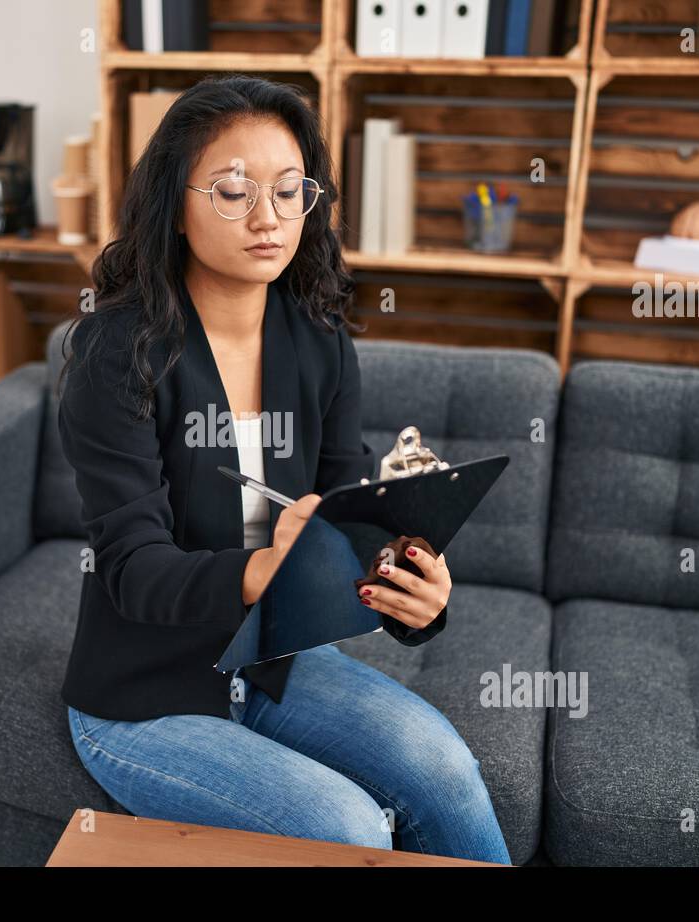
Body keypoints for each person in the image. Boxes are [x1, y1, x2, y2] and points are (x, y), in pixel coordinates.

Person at [55, 74, 511, 863]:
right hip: (144, 698)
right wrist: (267, 568)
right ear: (176, 203)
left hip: (275, 662)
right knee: (347, 830)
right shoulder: (116, 355)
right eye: (233, 192)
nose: (268, 218)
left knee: (448, 773)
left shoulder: (319, 340)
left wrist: (414, 591)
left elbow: (351, 511)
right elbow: (133, 567)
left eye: (289, 189)